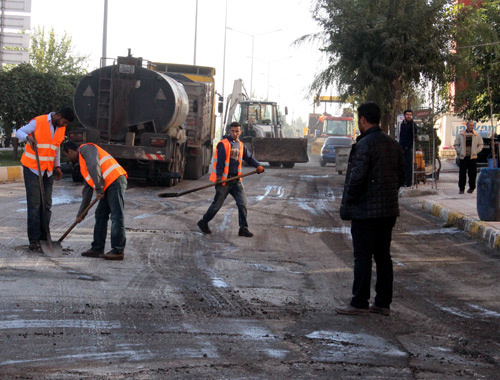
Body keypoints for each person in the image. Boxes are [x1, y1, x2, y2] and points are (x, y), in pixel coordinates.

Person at [336, 102, 405, 316]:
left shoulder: (365, 144)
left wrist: (349, 201)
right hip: (388, 211)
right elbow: (402, 177)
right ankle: (383, 303)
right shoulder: (393, 144)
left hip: (366, 212)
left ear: (363, 120)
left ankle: (359, 302)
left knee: (363, 257)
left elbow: (357, 178)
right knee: (383, 256)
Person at [16, 107, 75, 251]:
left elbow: (55, 148)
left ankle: (44, 237)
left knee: (46, 205)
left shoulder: (60, 129)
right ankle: (34, 240)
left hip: (47, 171)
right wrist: (28, 138)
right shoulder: (39, 121)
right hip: (32, 168)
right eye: (64, 122)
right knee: (35, 204)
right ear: (58, 115)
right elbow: (19, 132)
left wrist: (58, 167)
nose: (64, 125)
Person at [197, 122, 265, 237]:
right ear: (230, 131)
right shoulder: (224, 144)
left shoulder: (241, 145)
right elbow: (220, 162)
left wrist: (257, 165)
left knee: (242, 204)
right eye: (233, 131)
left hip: (236, 181)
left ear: (240, 132)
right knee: (217, 205)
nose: (235, 133)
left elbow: (249, 158)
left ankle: (243, 228)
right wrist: (219, 177)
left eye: (237, 131)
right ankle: (203, 222)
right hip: (224, 181)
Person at [63, 141, 128, 260]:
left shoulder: (86, 149)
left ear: (70, 151)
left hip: (115, 180)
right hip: (107, 185)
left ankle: (118, 250)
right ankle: (97, 248)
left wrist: (99, 188)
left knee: (116, 216)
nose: (68, 158)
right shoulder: (83, 165)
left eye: (67, 155)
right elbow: (87, 190)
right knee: (100, 215)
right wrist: (81, 214)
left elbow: (94, 165)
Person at [454, 121, 484, 194]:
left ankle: (472, 187)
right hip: (463, 157)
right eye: (470, 125)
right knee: (462, 174)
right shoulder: (461, 135)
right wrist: (459, 151)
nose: (472, 127)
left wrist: (476, 151)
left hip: (473, 157)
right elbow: (456, 144)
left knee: (472, 174)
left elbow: (481, 144)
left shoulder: (477, 135)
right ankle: (461, 189)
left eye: (473, 125)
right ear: (467, 125)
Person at [399, 109, 417, 187]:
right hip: (402, 147)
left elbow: (413, 137)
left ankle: (408, 182)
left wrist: (407, 146)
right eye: (407, 114)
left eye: (410, 114)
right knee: (403, 165)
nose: (409, 116)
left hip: (409, 148)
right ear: (404, 115)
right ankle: (403, 181)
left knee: (409, 165)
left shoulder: (413, 125)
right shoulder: (403, 124)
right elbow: (401, 136)